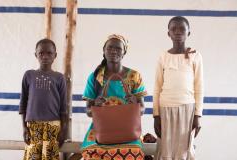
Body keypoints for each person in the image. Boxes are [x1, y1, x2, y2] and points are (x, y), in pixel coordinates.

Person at [81, 34, 147, 160]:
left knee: (132, 154)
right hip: (100, 131)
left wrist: (135, 105)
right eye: (110, 48)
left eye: (118, 49)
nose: (113, 51)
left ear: (124, 53)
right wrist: (95, 105)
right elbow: (88, 112)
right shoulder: (95, 77)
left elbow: (142, 110)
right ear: (104, 51)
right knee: (93, 155)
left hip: (128, 131)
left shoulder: (134, 76)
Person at [153, 16, 203, 160]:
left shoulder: (195, 56)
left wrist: (198, 115)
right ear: (168, 33)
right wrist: (156, 115)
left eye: (182, 28)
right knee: (165, 150)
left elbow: (199, 87)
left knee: (184, 151)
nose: (178, 31)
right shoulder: (163, 57)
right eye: (173, 28)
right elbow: (157, 87)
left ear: (189, 33)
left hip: (188, 109)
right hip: (165, 109)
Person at [19, 38, 68, 160]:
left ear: (55, 55)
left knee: (50, 157)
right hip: (32, 126)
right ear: (36, 55)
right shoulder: (29, 75)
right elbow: (23, 103)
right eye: (41, 53)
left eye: (49, 53)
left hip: (53, 126)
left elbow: (63, 107)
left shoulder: (59, 78)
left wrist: (63, 130)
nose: (45, 56)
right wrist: (24, 128)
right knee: (33, 156)